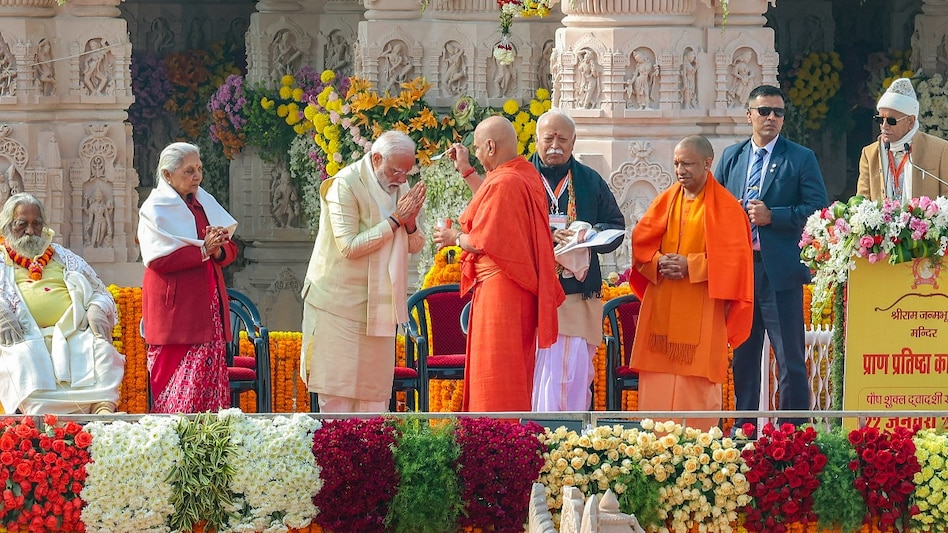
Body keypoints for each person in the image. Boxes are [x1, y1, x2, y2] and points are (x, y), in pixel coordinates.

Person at [715, 85, 829, 433]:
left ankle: (791, 433)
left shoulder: (800, 157)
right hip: (741, 270)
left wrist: (773, 216)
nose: (771, 118)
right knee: (744, 358)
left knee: (790, 359)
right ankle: (743, 431)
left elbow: (817, 209)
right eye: (764, 111)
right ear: (748, 115)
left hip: (779, 271)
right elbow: (712, 207)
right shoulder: (732, 157)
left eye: (778, 113)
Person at [434, 116, 564, 412]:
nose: (478, 155)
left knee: (496, 370)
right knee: (512, 367)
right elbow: (492, 204)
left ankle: (496, 442)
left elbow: (483, 240)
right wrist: (467, 170)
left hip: (501, 292)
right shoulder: (523, 173)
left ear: (490, 146)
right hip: (512, 289)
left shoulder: (506, 182)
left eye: (479, 149)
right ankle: (505, 439)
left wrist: (455, 236)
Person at [629, 135, 754, 432]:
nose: (680, 170)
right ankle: (652, 455)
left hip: (702, 310)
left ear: (708, 163)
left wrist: (691, 265)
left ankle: (697, 461)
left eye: (687, 163)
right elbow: (640, 243)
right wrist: (658, 261)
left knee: (694, 394)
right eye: (676, 163)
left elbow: (737, 264)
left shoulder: (726, 207)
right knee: (657, 393)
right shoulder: (666, 200)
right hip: (662, 309)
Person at [301, 131, 426, 413]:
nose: (402, 179)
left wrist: (410, 222)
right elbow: (349, 246)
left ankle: (373, 456)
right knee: (338, 396)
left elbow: (416, 244)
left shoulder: (400, 188)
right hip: (338, 304)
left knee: (374, 400)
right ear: (377, 158)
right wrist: (396, 220)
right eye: (396, 170)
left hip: (379, 310)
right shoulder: (345, 184)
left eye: (407, 172)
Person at [529, 109, 625, 411]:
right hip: (532, 292)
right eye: (549, 138)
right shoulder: (519, 177)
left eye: (563, 139)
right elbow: (503, 229)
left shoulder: (589, 180)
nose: (555, 145)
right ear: (536, 140)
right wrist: (544, 234)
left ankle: (569, 436)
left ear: (573, 142)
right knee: (536, 373)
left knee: (572, 374)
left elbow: (616, 227)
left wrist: (589, 233)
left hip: (576, 295)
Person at [0, 193, 125, 415]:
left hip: (72, 331)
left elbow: (99, 291)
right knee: (22, 357)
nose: (30, 231)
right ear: (8, 225)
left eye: (36, 224)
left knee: (99, 349)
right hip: (23, 335)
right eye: (22, 224)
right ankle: (39, 417)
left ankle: (101, 409)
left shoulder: (62, 256)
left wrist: (97, 308)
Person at [138, 142, 239, 413]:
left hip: (209, 306)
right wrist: (203, 250)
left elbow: (229, 248)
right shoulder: (155, 208)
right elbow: (158, 260)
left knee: (210, 388)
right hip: (175, 310)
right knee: (175, 394)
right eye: (188, 171)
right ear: (167, 175)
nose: (196, 177)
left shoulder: (203, 202)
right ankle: (174, 447)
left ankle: (209, 446)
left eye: (199, 170)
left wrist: (216, 250)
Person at [856, 77, 948, 202]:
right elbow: (860, 202)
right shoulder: (870, 154)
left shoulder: (940, 150)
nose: (884, 126)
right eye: (879, 119)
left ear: (910, 121)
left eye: (891, 121)